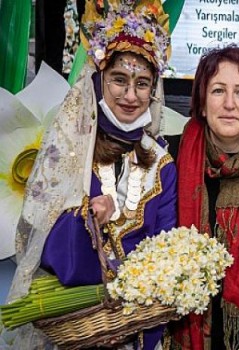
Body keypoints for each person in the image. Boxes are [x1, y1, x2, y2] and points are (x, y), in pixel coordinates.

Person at [6, 0, 175, 348]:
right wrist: (86, 219)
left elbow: (167, 253)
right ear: (98, 81)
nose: (130, 95)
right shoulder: (68, 148)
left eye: (142, 83)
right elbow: (38, 242)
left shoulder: (162, 165)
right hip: (70, 330)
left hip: (138, 332)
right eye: (119, 80)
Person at [170, 45, 239, 350]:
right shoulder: (170, 156)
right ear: (202, 104)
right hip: (179, 327)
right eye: (218, 91)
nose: (230, 104)